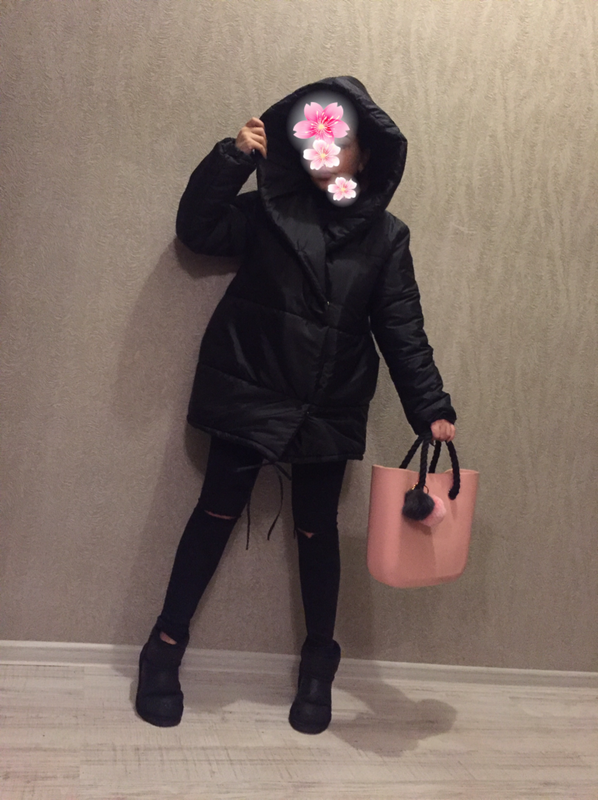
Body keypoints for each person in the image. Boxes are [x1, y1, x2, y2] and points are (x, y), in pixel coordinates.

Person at [135, 76, 456, 735]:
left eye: (340, 140)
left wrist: (429, 406)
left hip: (328, 400)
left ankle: (319, 663)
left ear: (367, 154)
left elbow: (402, 327)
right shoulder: (268, 211)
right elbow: (197, 230)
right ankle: (163, 647)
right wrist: (231, 159)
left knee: (317, 531)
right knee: (214, 512)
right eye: (314, 138)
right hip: (249, 382)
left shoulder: (386, 238)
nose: (325, 151)